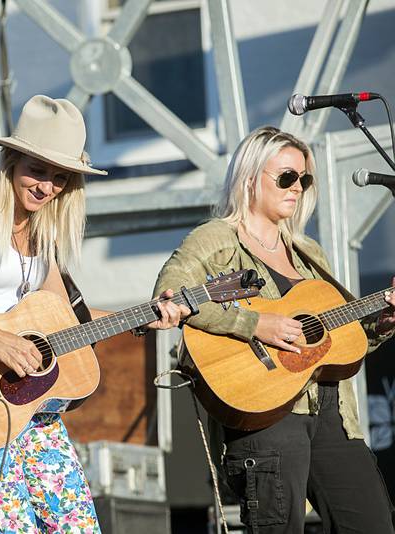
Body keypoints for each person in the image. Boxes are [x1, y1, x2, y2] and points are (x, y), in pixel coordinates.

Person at [0, 95, 191, 532]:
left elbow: (67, 319)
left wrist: (144, 317)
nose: (46, 186)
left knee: (79, 527)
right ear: (12, 158)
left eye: (59, 177)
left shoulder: (43, 228)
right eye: (38, 169)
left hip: (30, 408)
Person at [154, 125, 395, 533]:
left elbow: (342, 337)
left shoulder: (309, 254)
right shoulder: (215, 239)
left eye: (304, 179)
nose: (297, 187)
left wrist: (384, 322)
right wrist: (255, 323)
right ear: (250, 179)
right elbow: (169, 297)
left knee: (373, 524)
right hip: (266, 412)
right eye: (286, 177)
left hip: (332, 413)